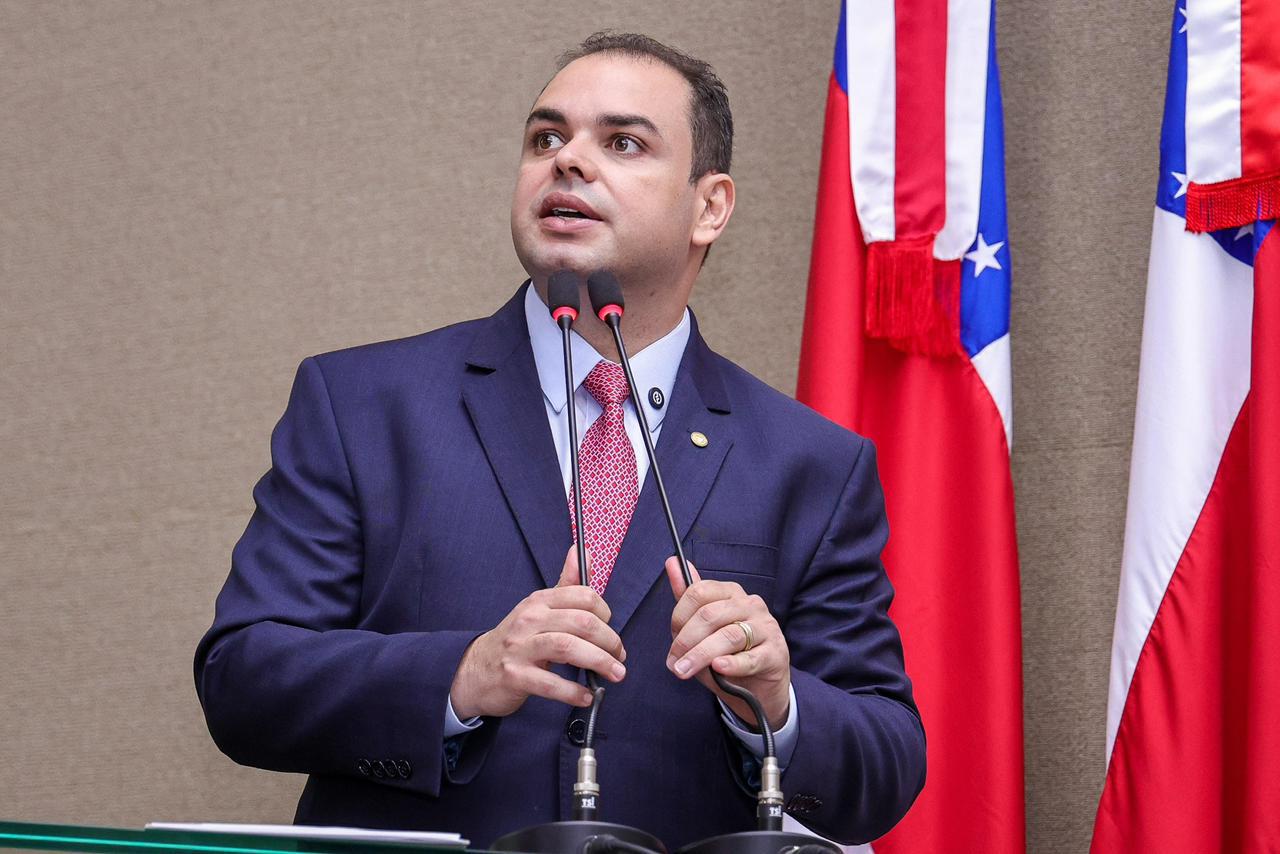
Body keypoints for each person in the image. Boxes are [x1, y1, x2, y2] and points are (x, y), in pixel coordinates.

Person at [194, 32, 925, 851]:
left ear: (710, 207)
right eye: (547, 137)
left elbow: (886, 763)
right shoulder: (363, 404)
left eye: (623, 142)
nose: (568, 160)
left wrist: (778, 705)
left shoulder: (810, 464)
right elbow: (242, 677)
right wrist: (460, 676)